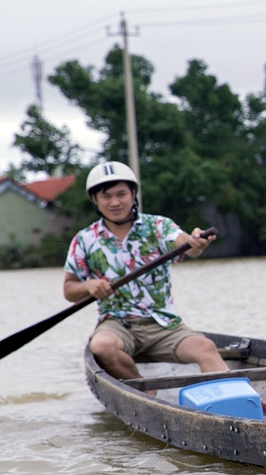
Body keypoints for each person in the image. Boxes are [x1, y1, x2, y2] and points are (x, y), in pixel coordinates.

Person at [63, 161, 229, 389]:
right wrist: (89, 286)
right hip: (116, 324)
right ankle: (144, 390)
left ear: (133, 193)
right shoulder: (85, 239)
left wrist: (196, 241)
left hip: (162, 322)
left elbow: (187, 245)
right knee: (101, 346)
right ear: (95, 200)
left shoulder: (157, 226)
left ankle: (238, 398)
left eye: (122, 194)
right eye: (106, 196)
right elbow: (69, 290)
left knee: (205, 348)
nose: (115, 202)